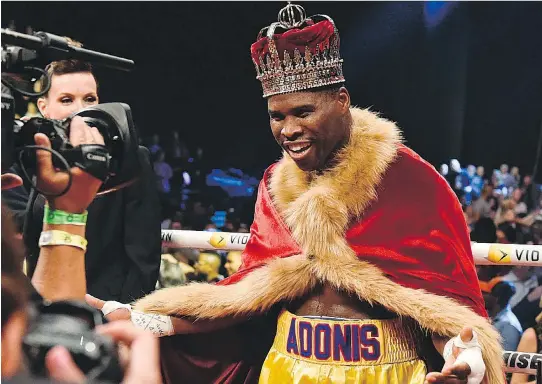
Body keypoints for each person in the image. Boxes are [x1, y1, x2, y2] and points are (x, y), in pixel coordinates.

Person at [89, 4, 503, 384]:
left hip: (383, 374)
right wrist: (151, 321)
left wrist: (463, 355)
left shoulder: (411, 181)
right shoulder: (275, 187)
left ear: (341, 101)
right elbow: (245, 298)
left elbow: (444, 307)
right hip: (285, 370)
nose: (288, 130)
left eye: (303, 112)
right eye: (277, 116)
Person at [1, 120, 161, 384]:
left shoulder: (129, 163)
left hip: (94, 305)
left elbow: (142, 250)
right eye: (65, 99)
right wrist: (67, 211)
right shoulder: (26, 176)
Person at [2, 59, 161, 302]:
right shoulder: (39, 156)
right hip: (48, 302)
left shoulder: (130, 158)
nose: (80, 109)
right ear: (44, 108)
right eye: (67, 100)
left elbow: (144, 253)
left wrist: (124, 314)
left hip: (104, 311)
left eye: (89, 99)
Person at [482, 279, 522, 351]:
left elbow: (505, 357)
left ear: (497, 298)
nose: (482, 296)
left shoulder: (509, 326)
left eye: (486, 293)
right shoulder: (486, 315)